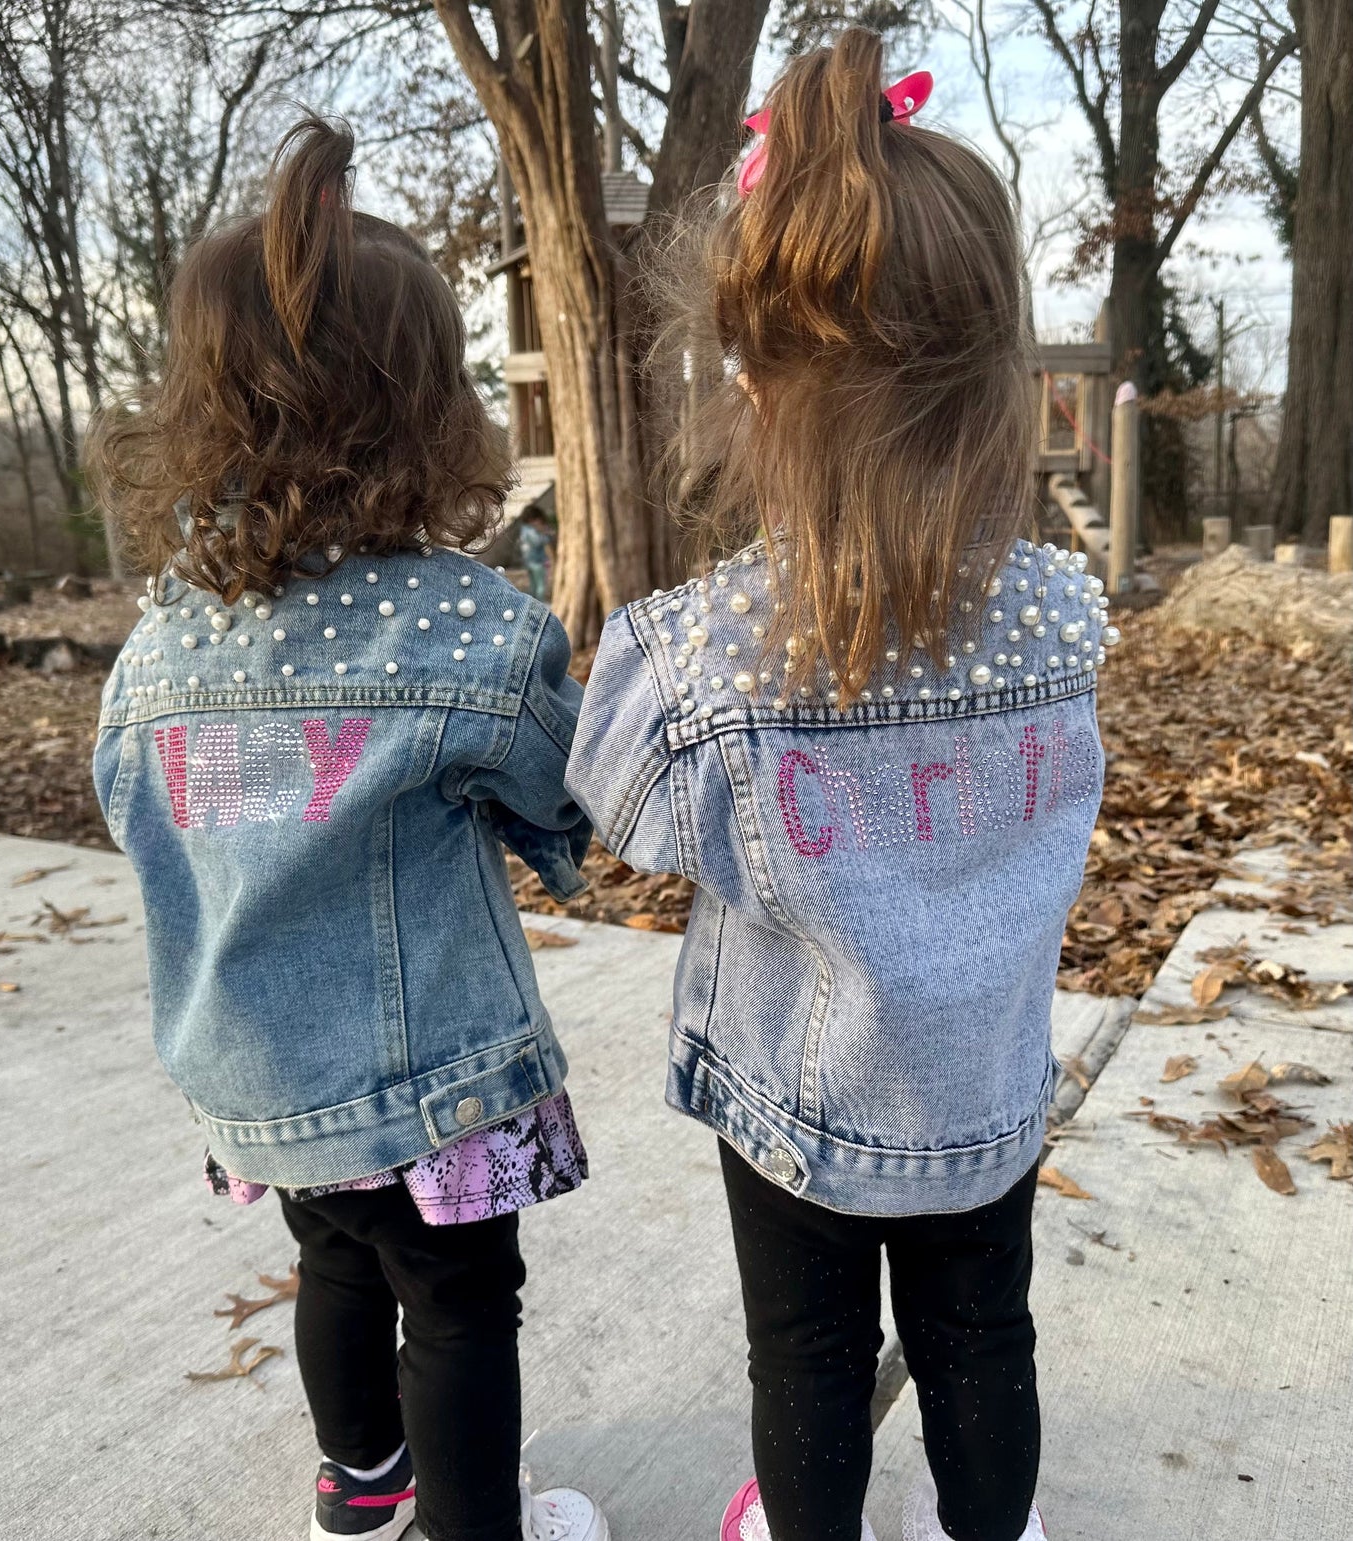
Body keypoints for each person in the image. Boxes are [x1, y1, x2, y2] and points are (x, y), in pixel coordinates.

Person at [567, 29, 1117, 1541]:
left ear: (750, 382)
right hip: (984, 1083)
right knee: (979, 1339)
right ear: (999, 369)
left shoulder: (706, 651)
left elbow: (619, 806)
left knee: (806, 1354)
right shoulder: (1064, 617)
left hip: (797, 1103)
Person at [89, 115, 608, 1541]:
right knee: (454, 1301)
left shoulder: (163, 644)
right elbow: (555, 806)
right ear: (429, 408)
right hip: (427, 1080)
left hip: (261, 1068)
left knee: (331, 1258)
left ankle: (360, 1483)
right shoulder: (468, 630)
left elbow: (131, 807)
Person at [518, 509, 556, 602]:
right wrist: (545, 534)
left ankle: (533, 604)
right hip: (536, 561)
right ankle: (540, 604)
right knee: (540, 585)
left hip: (528, 560)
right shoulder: (530, 530)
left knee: (534, 585)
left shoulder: (524, 529)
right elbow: (537, 542)